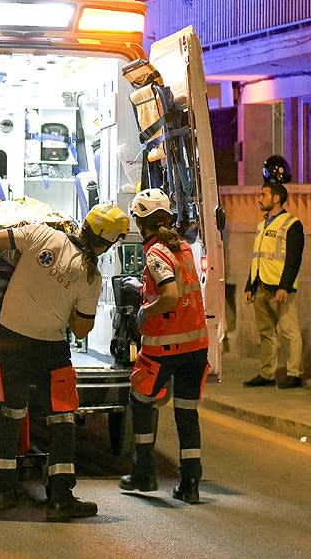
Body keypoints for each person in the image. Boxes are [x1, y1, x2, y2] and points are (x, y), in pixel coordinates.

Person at [0, 203, 129, 521]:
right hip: (50, 347)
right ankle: (60, 498)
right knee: (62, 418)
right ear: (107, 244)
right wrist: (69, 304)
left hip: (9, 336)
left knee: (12, 411)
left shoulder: (41, 233)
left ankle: (2, 491)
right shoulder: (91, 276)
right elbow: (80, 328)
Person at [118, 188, 210, 504]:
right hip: (196, 345)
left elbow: (169, 294)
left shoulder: (156, 253)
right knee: (187, 412)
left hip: (165, 347)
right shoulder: (183, 247)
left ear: (141, 223)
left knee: (140, 401)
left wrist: (145, 310)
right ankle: (190, 483)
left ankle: (143, 472)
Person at [243, 180, 305, 389]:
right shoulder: (262, 224)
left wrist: (284, 287)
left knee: (290, 331)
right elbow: (257, 259)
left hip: (280, 289)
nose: (259, 199)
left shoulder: (291, 224)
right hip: (261, 286)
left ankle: (294, 373)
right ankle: (267, 373)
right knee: (266, 333)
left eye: (263, 195)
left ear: (276, 198)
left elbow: (294, 259)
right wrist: (249, 287)